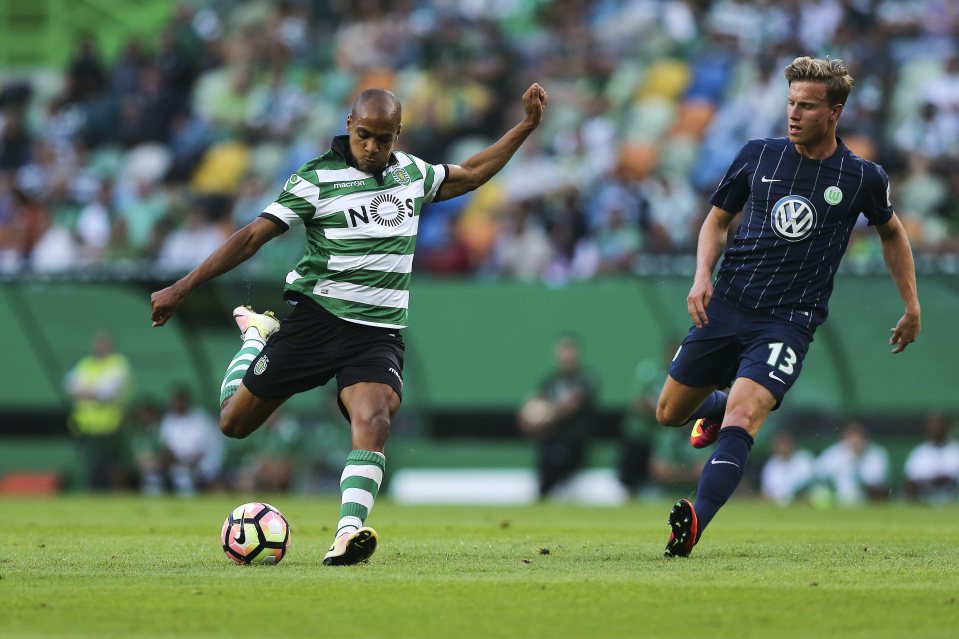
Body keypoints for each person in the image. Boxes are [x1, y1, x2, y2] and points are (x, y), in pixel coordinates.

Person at [150, 83, 548, 565]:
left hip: (375, 334)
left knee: (375, 420)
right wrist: (183, 286)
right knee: (234, 422)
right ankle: (256, 334)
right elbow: (253, 237)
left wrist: (525, 125)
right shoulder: (315, 179)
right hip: (317, 322)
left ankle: (347, 534)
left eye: (384, 138)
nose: (373, 147)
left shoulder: (413, 174)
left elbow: (475, 172)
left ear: (398, 134)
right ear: (348, 127)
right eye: (364, 135)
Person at [655, 56, 921, 558]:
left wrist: (911, 305)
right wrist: (700, 277)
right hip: (728, 304)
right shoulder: (759, 155)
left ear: (834, 112)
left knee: (748, 413)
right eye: (791, 103)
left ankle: (694, 522)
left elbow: (892, 232)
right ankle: (711, 406)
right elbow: (716, 221)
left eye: (807, 106)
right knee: (669, 413)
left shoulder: (862, 176)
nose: (794, 114)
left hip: (787, 322)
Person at [517, 335, 598, 498]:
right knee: (548, 455)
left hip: (574, 439)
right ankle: (544, 493)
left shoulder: (584, 379)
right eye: (562, 352)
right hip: (552, 438)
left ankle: (545, 493)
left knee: (556, 458)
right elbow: (535, 403)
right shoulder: (550, 381)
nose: (565, 356)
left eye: (569, 351)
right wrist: (528, 421)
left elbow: (572, 405)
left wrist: (546, 418)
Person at [64, 332, 133, 491]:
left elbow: (107, 392)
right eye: (98, 344)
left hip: (110, 426)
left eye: (104, 344)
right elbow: (70, 386)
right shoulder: (86, 363)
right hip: (86, 426)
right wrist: (94, 391)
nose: (101, 347)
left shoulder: (117, 364)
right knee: (92, 466)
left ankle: (112, 493)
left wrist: (86, 391)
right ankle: (95, 493)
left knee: (110, 465)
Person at [814, 420, 890, 505]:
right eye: (852, 436)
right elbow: (817, 474)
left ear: (866, 438)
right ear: (844, 437)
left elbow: (878, 484)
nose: (856, 441)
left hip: (867, 503)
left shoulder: (876, 454)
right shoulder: (834, 453)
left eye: (859, 436)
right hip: (836, 502)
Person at [903, 412, 959, 503]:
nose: (936, 428)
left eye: (939, 424)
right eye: (932, 425)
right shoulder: (919, 453)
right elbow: (909, 483)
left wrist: (947, 480)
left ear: (947, 426)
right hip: (923, 503)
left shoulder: (956, 451)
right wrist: (932, 482)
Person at [760, 430, 815, 505]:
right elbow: (766, 492)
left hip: (802, 503)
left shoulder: (804, 460)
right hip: (778, 505)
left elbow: (811, 485)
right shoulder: (771, 465)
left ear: (791, 444)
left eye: (785, 443)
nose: (782, 447)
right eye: (780, 444)